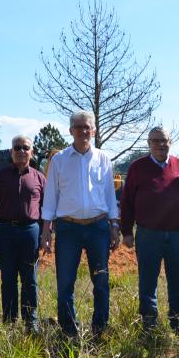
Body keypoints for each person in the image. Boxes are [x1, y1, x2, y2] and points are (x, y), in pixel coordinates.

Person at [40, 111, 119, 338]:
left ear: (93, 130)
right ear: (70, 130)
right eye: (78, 127)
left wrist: (114, 224)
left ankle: (100, 328)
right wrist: (47, 230)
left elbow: (108, 195)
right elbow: (51, 196)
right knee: (65, 283)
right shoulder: (59, 160)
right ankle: (68, 330)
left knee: (101, 281)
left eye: (87, 127)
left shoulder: (103, 159)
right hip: (68, 229)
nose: (83, 131)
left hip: (98, 228)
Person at [120, 127, 179, 340]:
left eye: (164, 140)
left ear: (170, 142)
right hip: (148, 234)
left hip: (177, 234)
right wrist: (126, 230)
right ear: (149, 143)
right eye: (155, 141)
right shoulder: (138, 167)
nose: (160, 144)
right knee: (147, 280)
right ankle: (149, 324)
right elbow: (127, 201)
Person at [0, 135, 46, 333]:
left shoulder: (39, 178)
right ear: (11, 152)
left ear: (31, 152)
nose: (21, 151)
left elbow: (47, 208)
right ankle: (10, 320)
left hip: (31, 232)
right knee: (8, 278)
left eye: (25, 147)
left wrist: (47, 234)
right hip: (6, 232)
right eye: (17, 147)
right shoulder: (0, 177)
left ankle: (31, 320)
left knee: (30, 278)